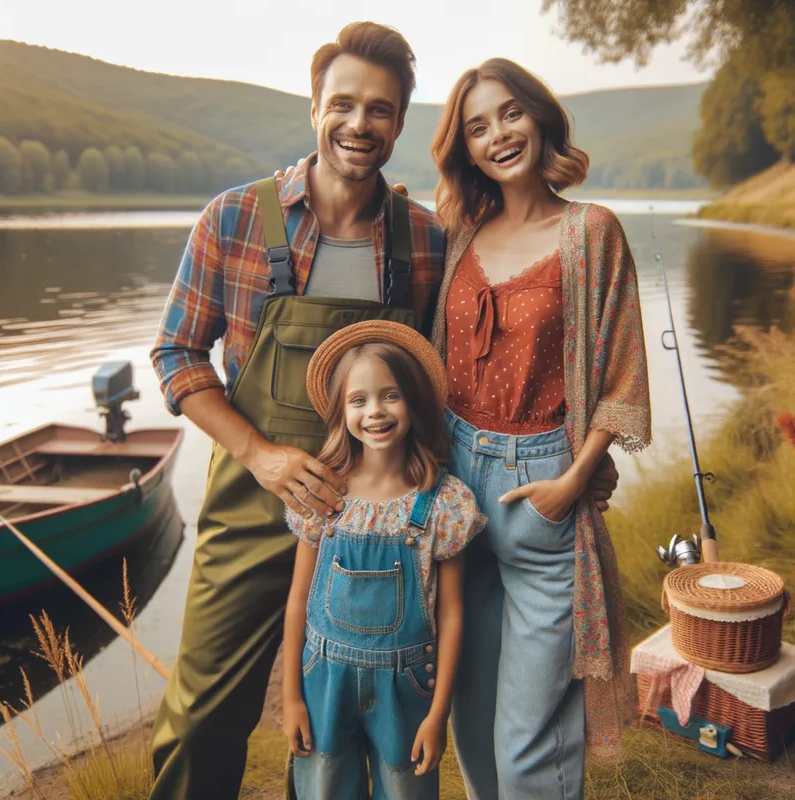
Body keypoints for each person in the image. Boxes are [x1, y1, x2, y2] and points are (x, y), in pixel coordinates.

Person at [150, 20, 620, 797]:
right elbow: (175, 355)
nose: (359, 124)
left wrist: (580, 462)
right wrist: (260, 456)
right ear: (314, 108)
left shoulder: (429, 239)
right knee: (202, 716)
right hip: (255, 507)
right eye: (344, 104)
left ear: (400, 122)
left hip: (388, 522)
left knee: (387, 723)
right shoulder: (234, 218)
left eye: (380, 109)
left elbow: (466, 376)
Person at [429, 59, 652, 799]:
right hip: (457, 485)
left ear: (541, 117)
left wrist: (574, 479)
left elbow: (620, 376)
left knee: (532, 742)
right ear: (462, 147)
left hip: (541, 491)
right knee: (471, 720)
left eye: (510, 114)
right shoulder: (460, 233)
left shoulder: (591, 232)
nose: (498, 135)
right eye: (477, 126)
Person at [283, 320, 484, 798]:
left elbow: (451, 614)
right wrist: (291, 696)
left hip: (406, 688)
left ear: (413, 402)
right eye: (359, 400)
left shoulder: (443, 502)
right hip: (323, 682)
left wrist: (438, 714)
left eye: (390, 396)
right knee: (325, 787)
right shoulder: (322, 494)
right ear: (341, 410)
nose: (375, 411)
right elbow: (296, 602)